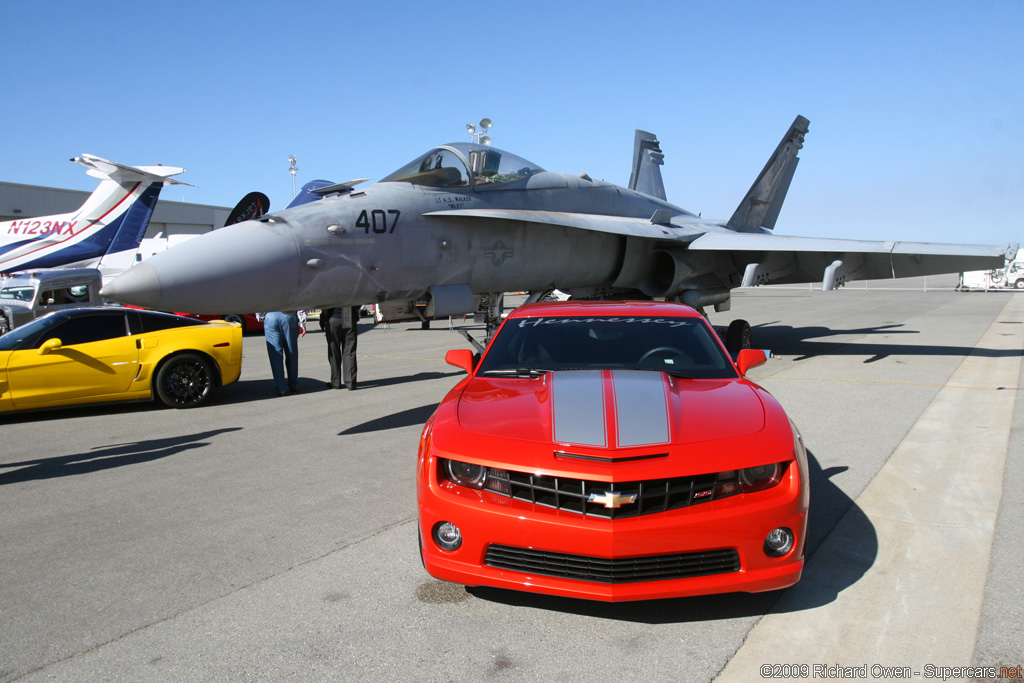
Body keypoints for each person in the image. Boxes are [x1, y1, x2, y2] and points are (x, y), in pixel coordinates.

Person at [259, 310, 307, 396]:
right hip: (288, 314)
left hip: (270, 315)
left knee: (275, 355)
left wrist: (261, 316)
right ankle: (293, 383)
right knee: (291, 352)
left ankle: (281, 388)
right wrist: (302, 323)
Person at [320, 306, 360, 390]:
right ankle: (350, 382)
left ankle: (336, 382)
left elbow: (327, 304)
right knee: (349, 351)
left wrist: (323, 318)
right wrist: (355, 314)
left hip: (334, 318)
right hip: (349, 317)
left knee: (334, 352)